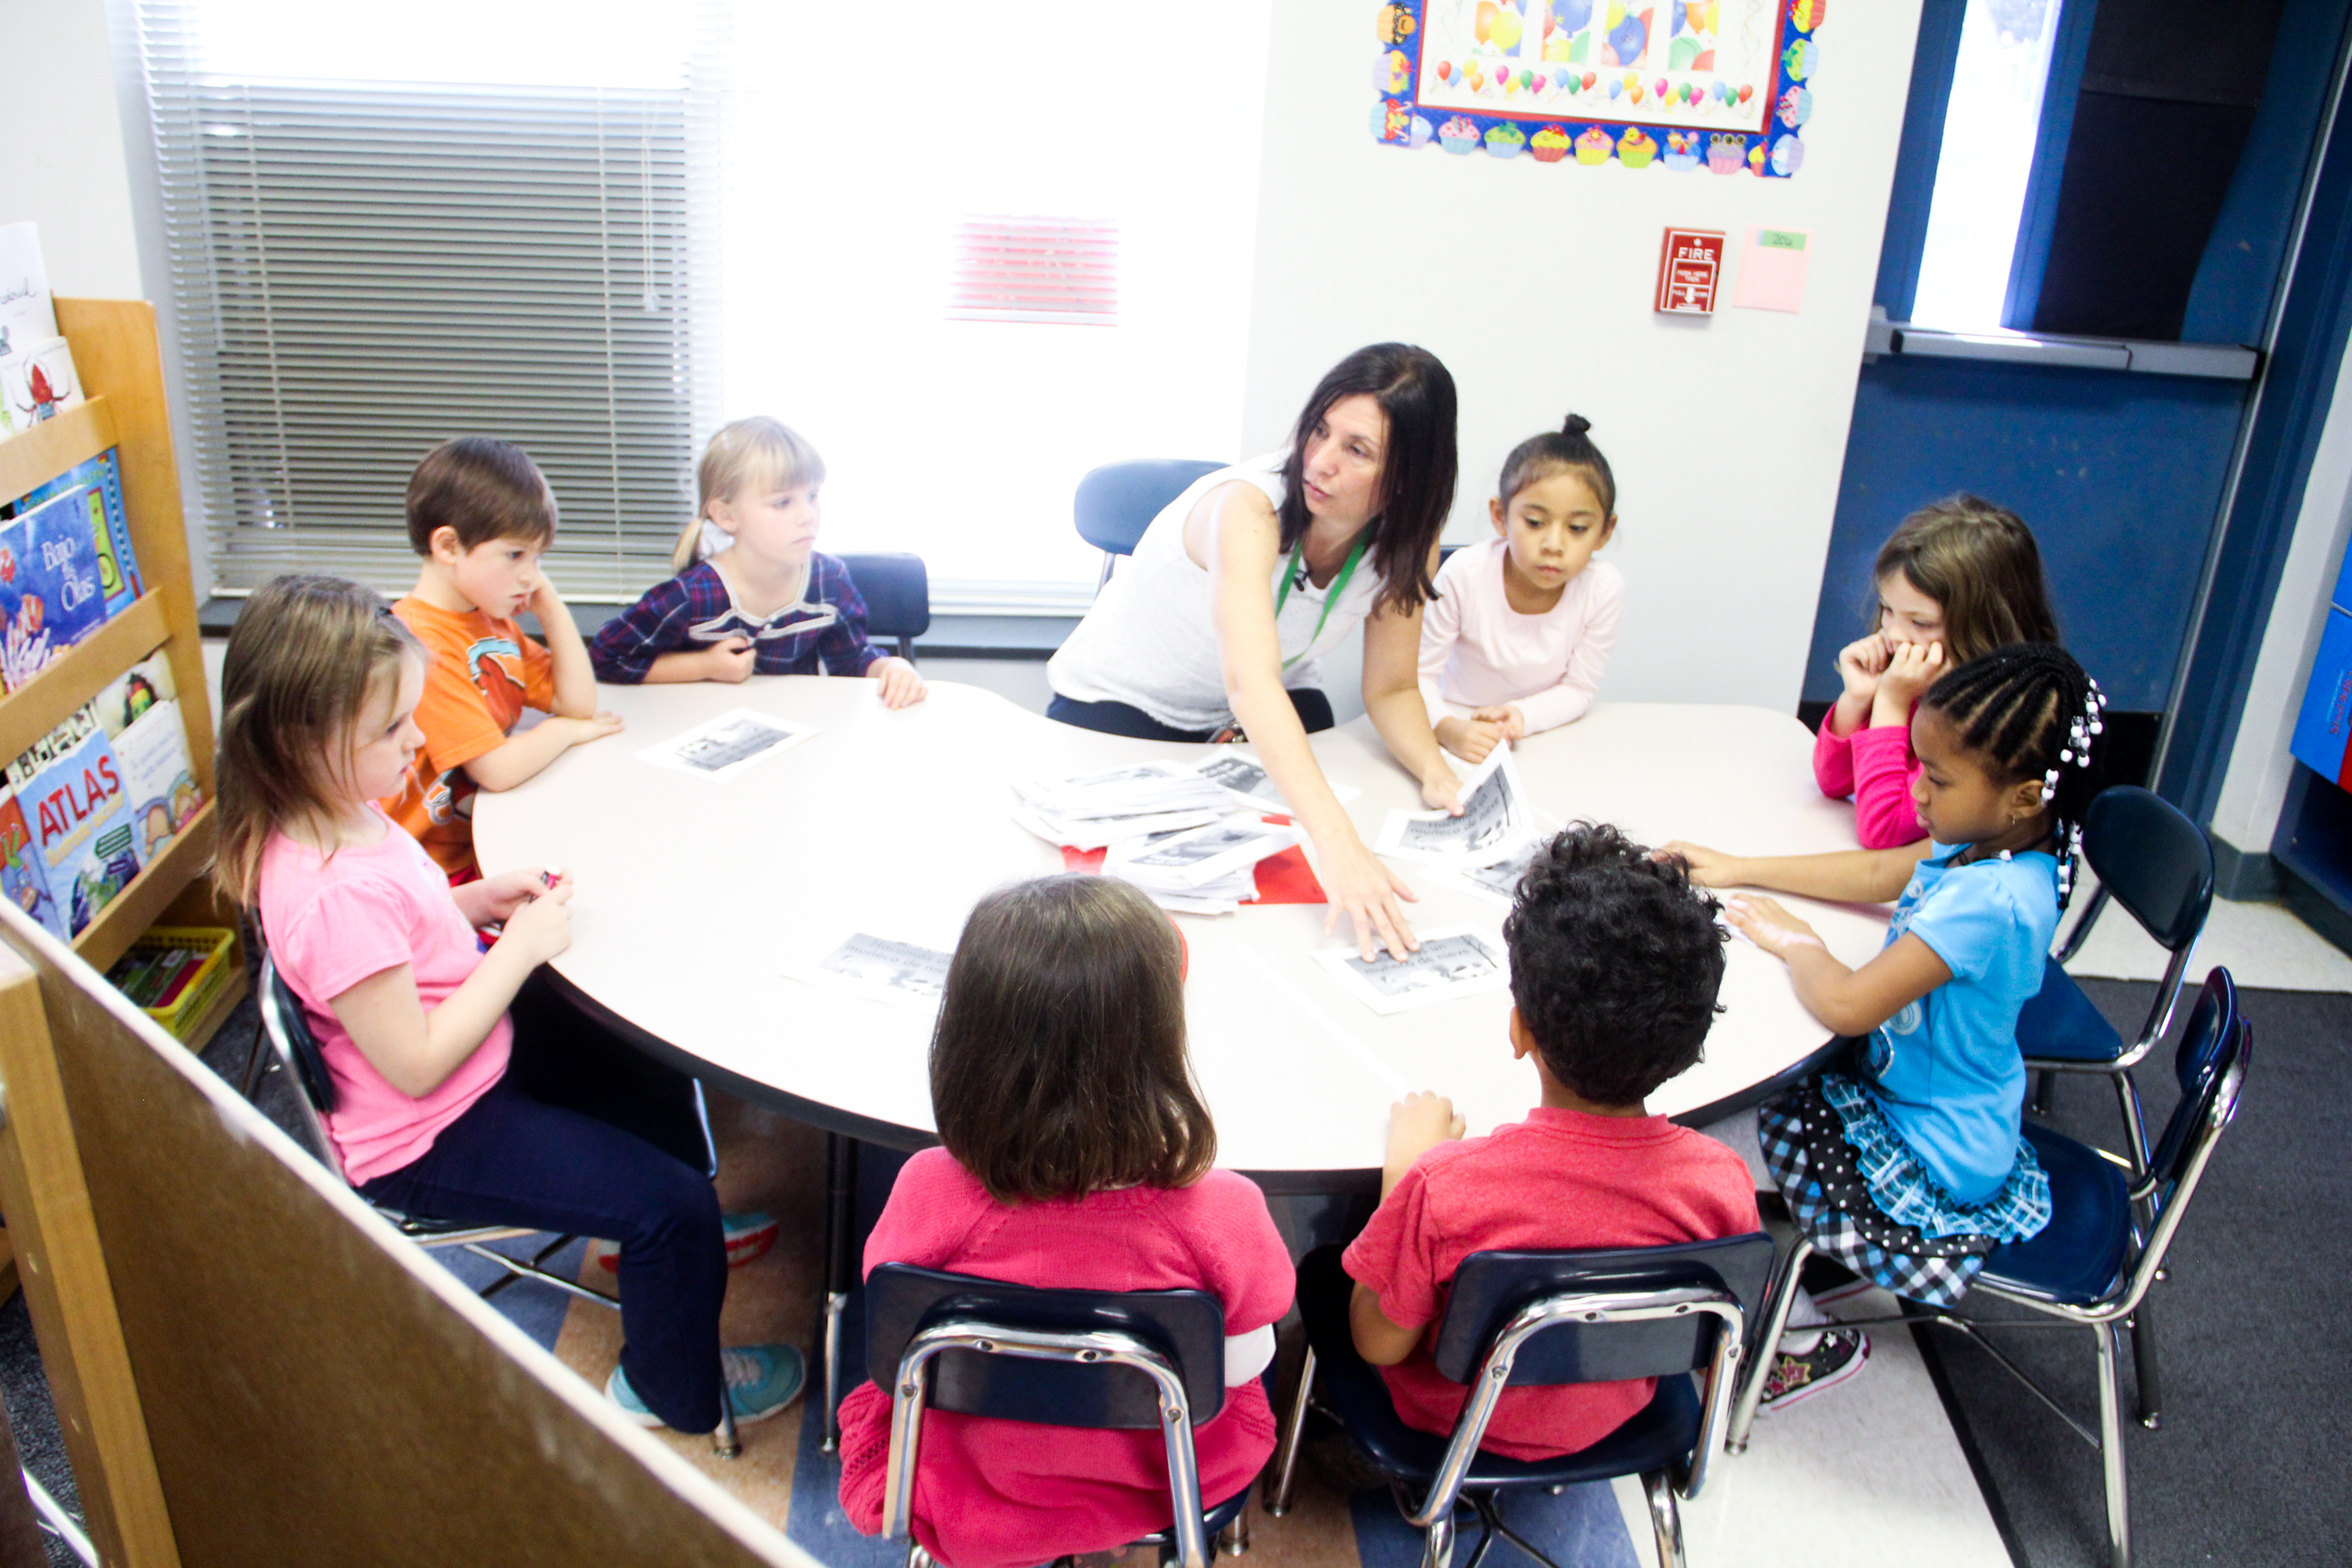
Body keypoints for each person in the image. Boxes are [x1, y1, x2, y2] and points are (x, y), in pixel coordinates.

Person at [214, 575, 803, 1434]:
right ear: (300, 741)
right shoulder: (326, 889)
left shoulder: (346, 809)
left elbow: (397, 941)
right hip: (429, 1130)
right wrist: (519, 947)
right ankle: (672, 1390)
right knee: (666, 1206)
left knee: (636, 1042)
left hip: (469, 1059)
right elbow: (413, 1061)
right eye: (390, 728)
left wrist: (478, 901)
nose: (418, 739)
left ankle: (662, 1236)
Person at [1664, 643, 2102, 1410]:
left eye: (1935, 776)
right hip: (1930, 1099)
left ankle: (1797, 1343)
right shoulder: (1997, 838)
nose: (1917, 792)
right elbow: (1876, 870)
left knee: (1698, 1161)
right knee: (1724, 1122)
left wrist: (1797, 939)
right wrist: (1737, 866)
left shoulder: (1989, 902)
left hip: (1930, 1148)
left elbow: (1849, 1004)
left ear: (2024, 795)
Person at [834, 876, 1293, 1568]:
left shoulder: (926, 1187)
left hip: (966, 1477)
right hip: (1159, 1475)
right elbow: (1247, 1359)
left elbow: (895, 1327)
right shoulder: (1221, 1208)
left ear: (963, 1040)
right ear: (1160, 1045)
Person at [1298, 823, 1757, 1461]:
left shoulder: (1446, 1186)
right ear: (1689, 1043)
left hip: (1454, 1424)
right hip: (1619, 1411)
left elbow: (1377, 1342)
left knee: (1325, 1263)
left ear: (1519, 1029)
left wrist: (1403, 1176)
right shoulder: (1722, 1179)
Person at [1045, 343, 1466, 960]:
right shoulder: (1248, 506)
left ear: (1407, 478)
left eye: (1357, 450)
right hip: (1125, 698)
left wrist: (1437, 773)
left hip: (1255, 701)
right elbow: (1250, 681)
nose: (1319, 462)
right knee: (1137, 896)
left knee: (1285, 883)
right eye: (1319, 429)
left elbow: (1393, 687)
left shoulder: (1410, 539)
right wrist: (1339, 844)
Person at [383, 437, 627, 880]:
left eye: (538, 558)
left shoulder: (485, 619)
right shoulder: (420, 644)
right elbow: (496, 768)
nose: (530, 575)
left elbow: (577, 702)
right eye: (515, 554)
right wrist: (565, 731)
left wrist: (550, 607)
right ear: (449, 547)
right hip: (425, 869)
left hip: (479, 837)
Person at [588, 416, 926, 705]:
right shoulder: (692, 595)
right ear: (726, 515)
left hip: (798, 739)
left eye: (812, 496)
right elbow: (607, 657)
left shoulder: (829, 579)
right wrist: (704, 667)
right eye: (782, 503)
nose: (807, 515)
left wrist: (892, 667)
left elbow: (850, 660)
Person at [1815, 497, 2059, 849]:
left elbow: (1881, 830)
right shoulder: (1920, 673)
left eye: (1920, 622)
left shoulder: (1985, 720)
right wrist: (1856, 700)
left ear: (1985, 626)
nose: (1893, 632)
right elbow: (1832, 783)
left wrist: (1891, 703)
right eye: (1887, 609)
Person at [1416, 413, 1624, 764]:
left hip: (1540, 733)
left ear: (1604, 531)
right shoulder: (1464, 573)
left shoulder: (1602, 589)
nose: (1553, 544)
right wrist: (1447, 728)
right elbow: (1416, 676)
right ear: (1500, 516)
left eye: (1577, 528)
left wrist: (1521, 717)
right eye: (1535, 523)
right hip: (1448, 721)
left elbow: (1578, 689)